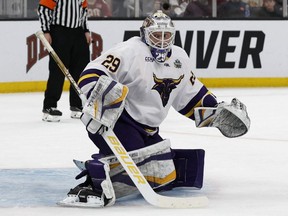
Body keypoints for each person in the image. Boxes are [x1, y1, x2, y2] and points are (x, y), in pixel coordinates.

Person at [58, 10, 250, 207]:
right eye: (156, 35)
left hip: (148, 131)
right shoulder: (129, 50)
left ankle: (110, 167)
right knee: (148, 168)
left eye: (166, 36)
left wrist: (215, 110)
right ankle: (94, 179)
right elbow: (92, 73)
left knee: (166, 174)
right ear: (145, 34)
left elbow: (191, 95)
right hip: (116, 123)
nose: (162, 41)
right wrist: (95, 103)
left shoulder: (179, 58)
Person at [38, 0, 91, 122]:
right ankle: (49, 106)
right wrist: (46, 30)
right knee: (57, 70)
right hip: (59, 31)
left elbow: (83, 11)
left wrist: (86, 30)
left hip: (78, 32)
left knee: (80, 69)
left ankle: (77, 105)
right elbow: (44, 9)